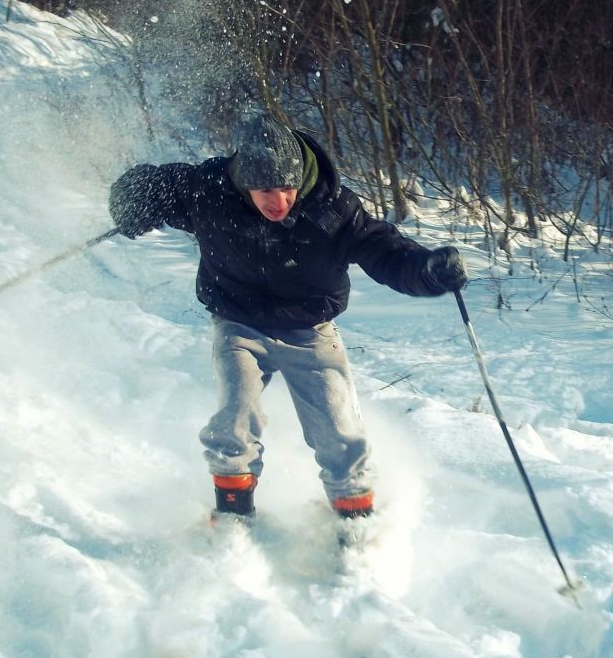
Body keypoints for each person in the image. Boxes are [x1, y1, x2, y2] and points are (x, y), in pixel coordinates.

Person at [108, 113, 466, 523]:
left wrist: (426, 270)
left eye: (286, 188)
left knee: (337, 428)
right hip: (238, 322)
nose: (277, 202)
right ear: (245, 182)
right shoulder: (210, 192)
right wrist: (133, 203)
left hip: (310, 331)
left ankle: (357, 524)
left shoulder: (332, 210)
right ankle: (232, 517)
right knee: (236, 414)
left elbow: (384, 250)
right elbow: (155, 186)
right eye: (264, 190)